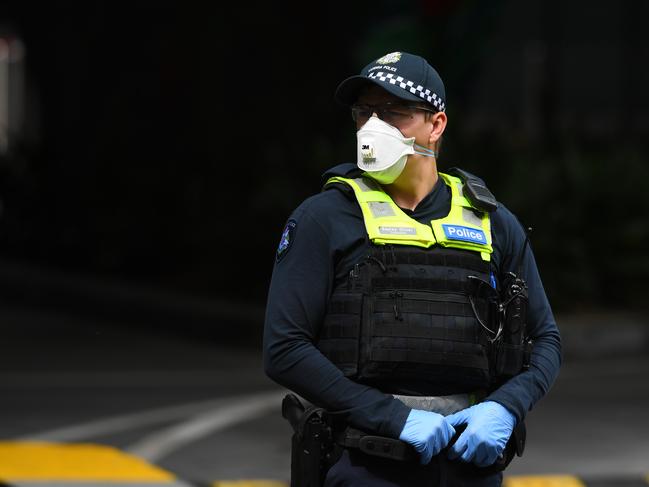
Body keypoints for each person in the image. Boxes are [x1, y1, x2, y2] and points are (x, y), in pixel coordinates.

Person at [263, 51, 561, 487]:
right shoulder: (323, 218)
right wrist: (392, 418)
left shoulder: (492, 222)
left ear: (436, 125)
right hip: (365, 462)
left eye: (394, 113)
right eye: (364, 112)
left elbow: (546, 339)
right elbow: (284, 348)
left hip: (469, 466)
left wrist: (506, 406)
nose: (373, 127)